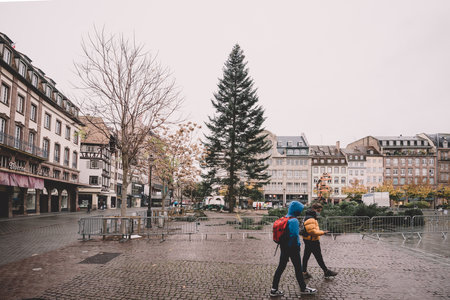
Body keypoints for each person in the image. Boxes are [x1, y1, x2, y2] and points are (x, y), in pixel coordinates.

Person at [270, 201, 317, 297]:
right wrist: (297, 247)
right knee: (298, 268)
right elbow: (294, 235)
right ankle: (303, 288)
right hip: (293, 248)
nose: (301, 211)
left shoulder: (285, 218)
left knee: (280, 268)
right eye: (300, 210)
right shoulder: (294, 220)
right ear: (297, 210)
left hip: (283, 247)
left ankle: (274, 289)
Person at [302, 203, 338, 279]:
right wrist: (323, 232)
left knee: (306, 256)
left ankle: (304, 272)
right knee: (318, 257)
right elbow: (312, 232)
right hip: (312, 240)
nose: (319, 212)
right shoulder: (311, 218)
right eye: (318, 210)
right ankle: (326, 271)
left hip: (308, 239)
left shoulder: (308, 216)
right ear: (313, 209)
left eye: (320, 210)